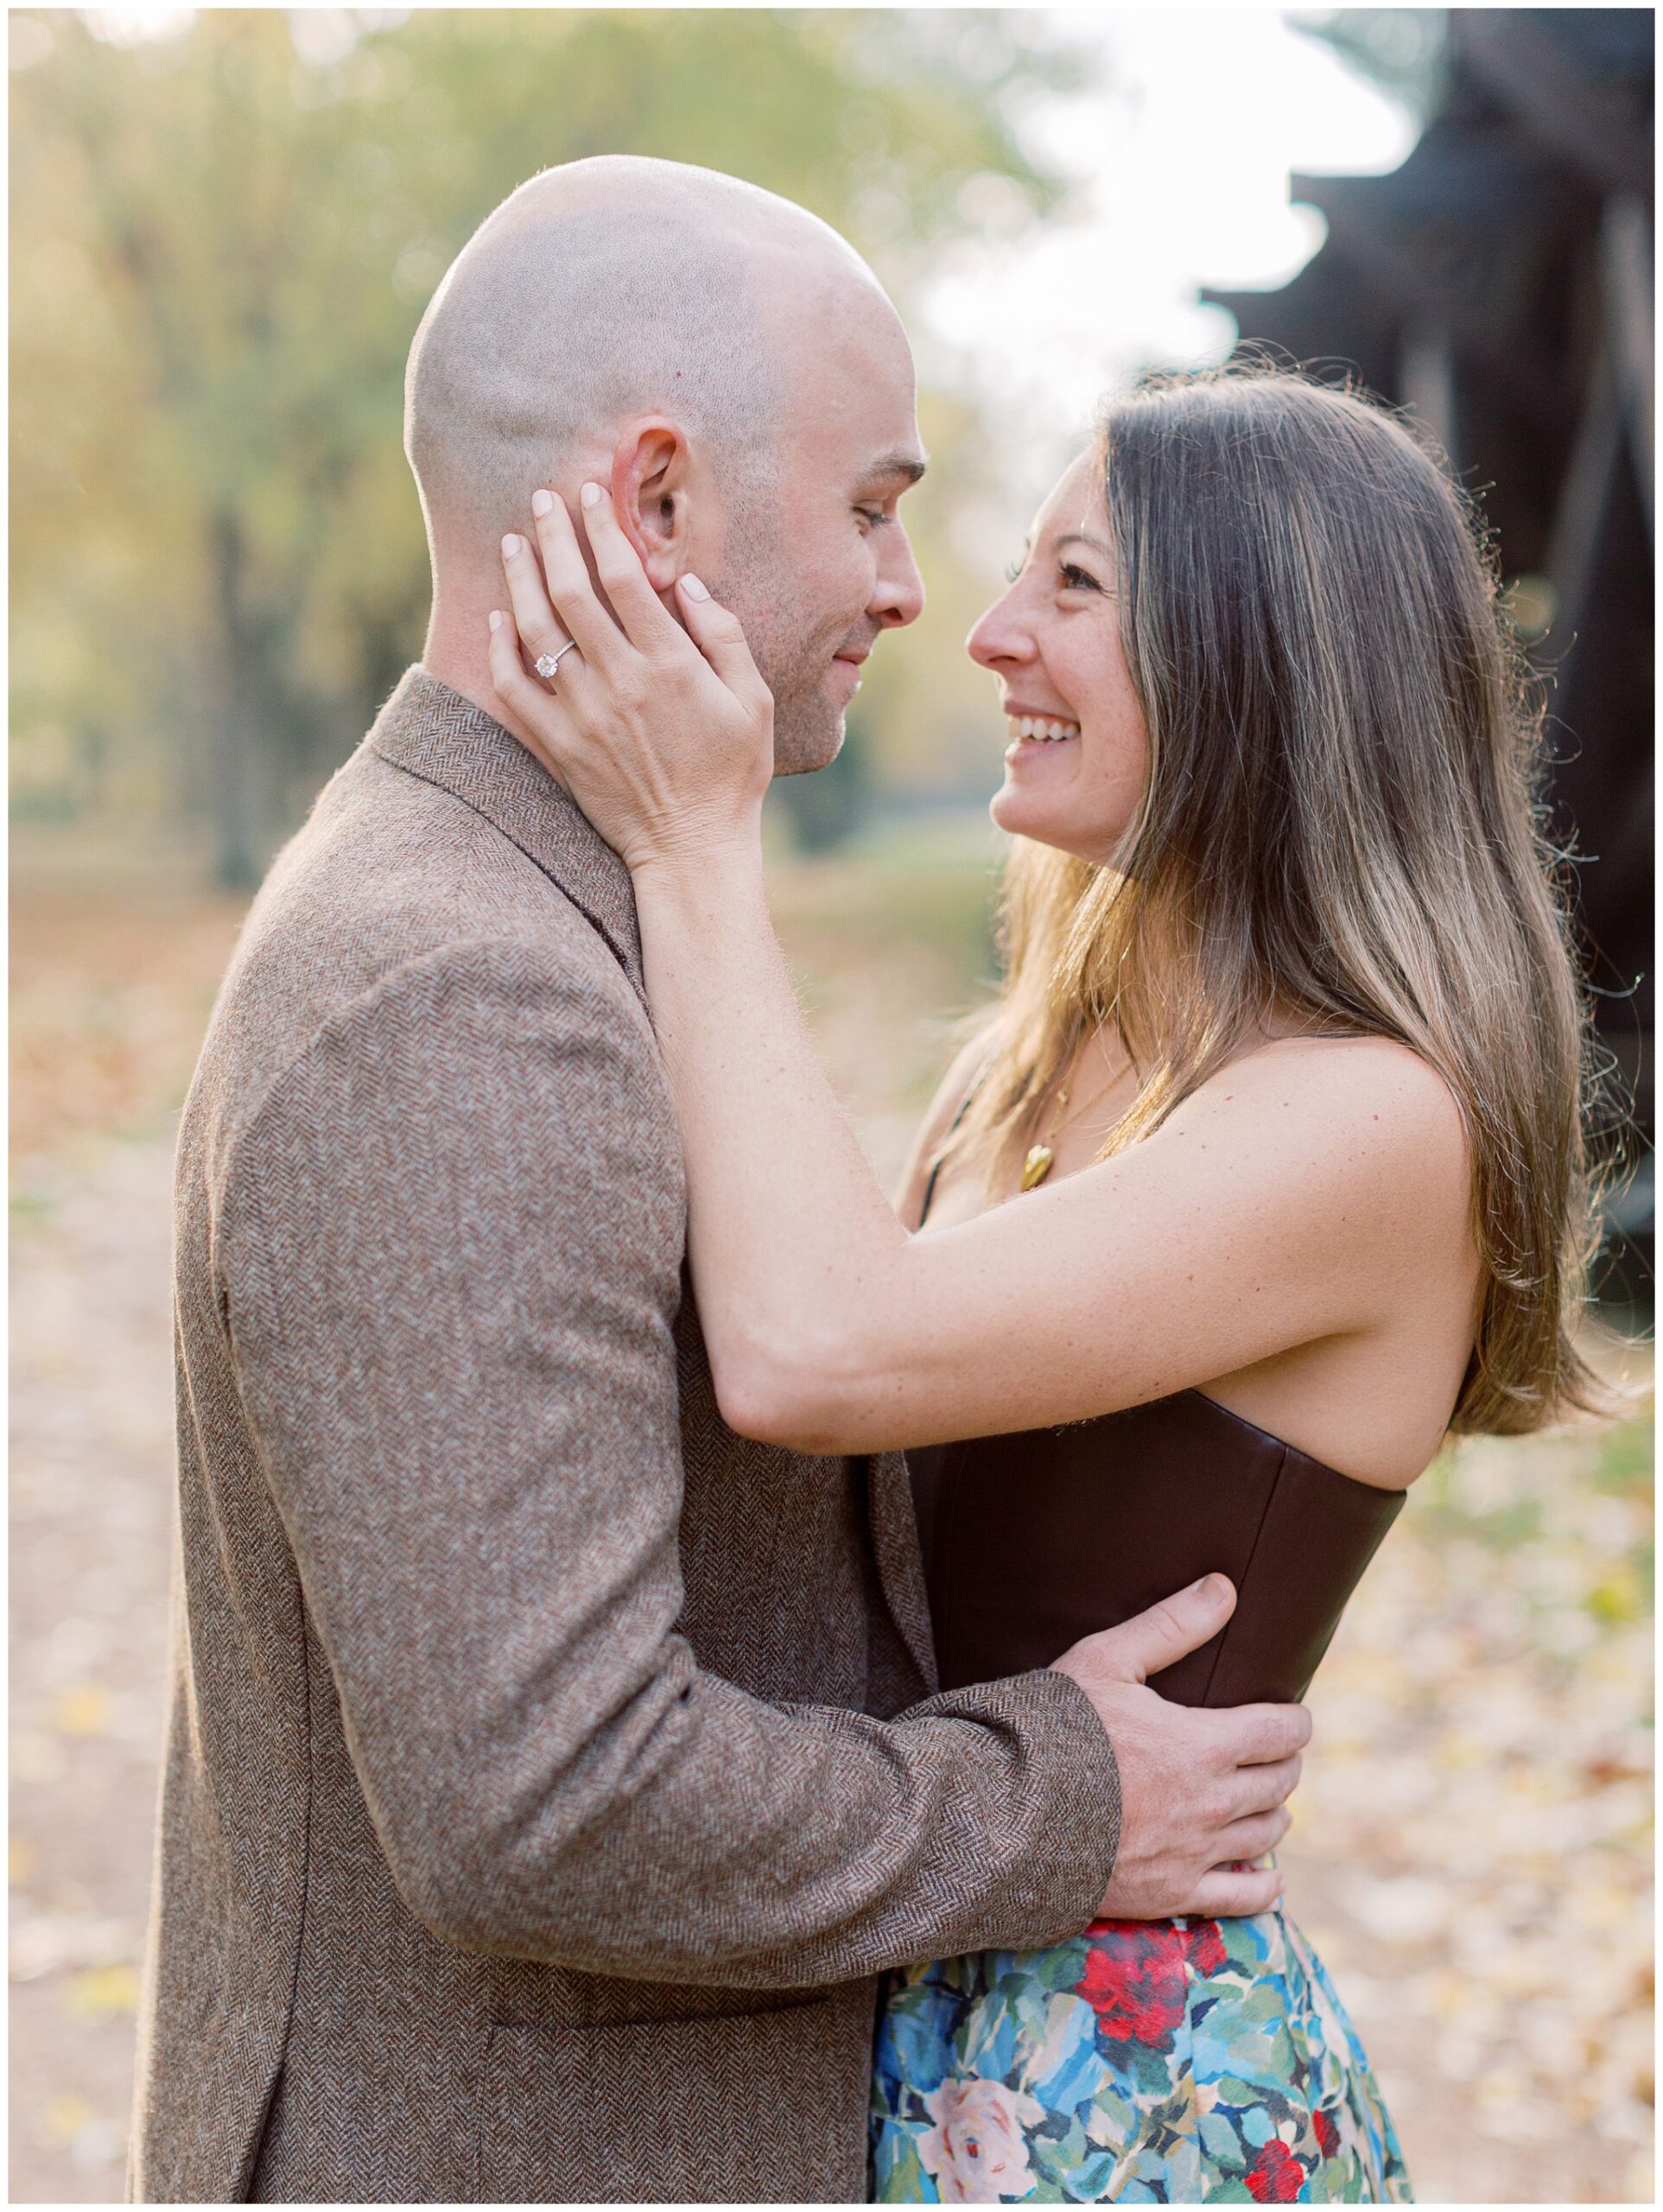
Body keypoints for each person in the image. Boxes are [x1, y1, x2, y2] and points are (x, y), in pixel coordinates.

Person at [130, 162, 1311, 2205]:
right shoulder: (462, 993)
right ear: (656, 503)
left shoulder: (558, 915)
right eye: (872, 504)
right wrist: (1056, 1802)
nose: (910, 589)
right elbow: (547, 1798)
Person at [486, 363, 1602, 2202]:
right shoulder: (1037, 1053)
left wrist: (691, 836)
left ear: (1262, 652)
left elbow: (811, 1343)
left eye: (1073, 586)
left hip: (1110, 2096)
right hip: (900, 1967)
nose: (991, 632)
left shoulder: (1371, 1123)